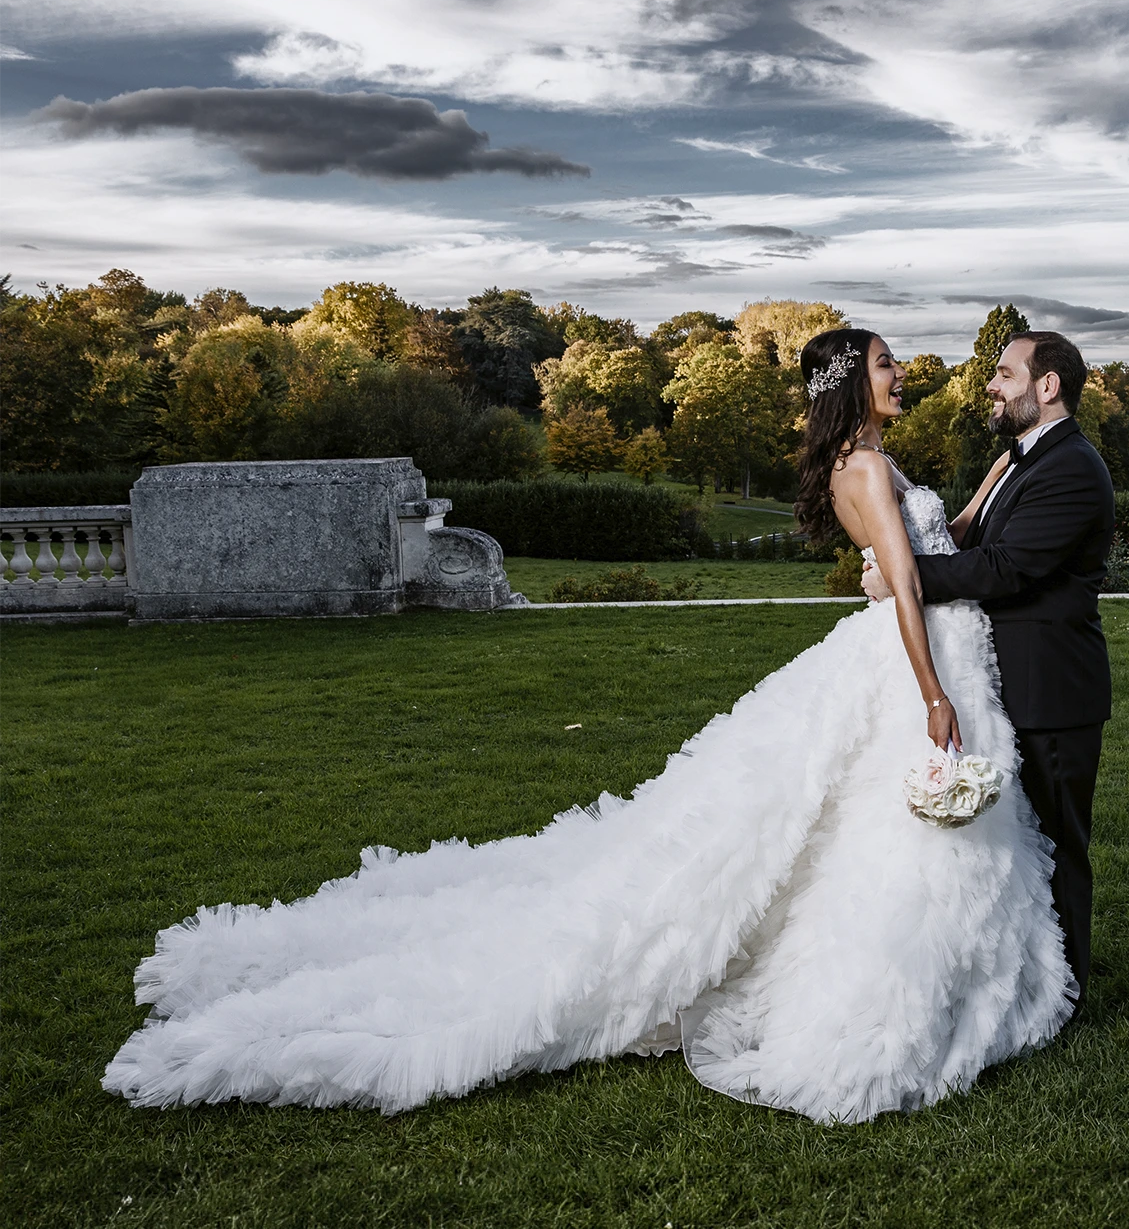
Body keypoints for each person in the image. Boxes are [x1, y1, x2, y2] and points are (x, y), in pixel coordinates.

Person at [102, 328, 1074, 1125]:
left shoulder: (876, 460)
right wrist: (934, 696)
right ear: (851, 385)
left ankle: (940, 973)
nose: (903, 373)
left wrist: (987, 488)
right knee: (868, 826)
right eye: (886, 364)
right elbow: (903, 581)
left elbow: (931, 547)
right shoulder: (862, 468)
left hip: (942, 650)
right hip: (916, 662)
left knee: (849, 831)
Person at [861, 331, 1114, 999]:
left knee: (1056, 848)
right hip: (1010, 684)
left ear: (1048, 385)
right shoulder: (1026, 459)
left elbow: (1007, 569)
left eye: (1004, 375)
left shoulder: (1072, 468)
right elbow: (977, 539)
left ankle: (1066, 992)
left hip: (1053, 691)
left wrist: (903, 576)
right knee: (1018, 847)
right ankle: (1025, 983)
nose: (991, 387)